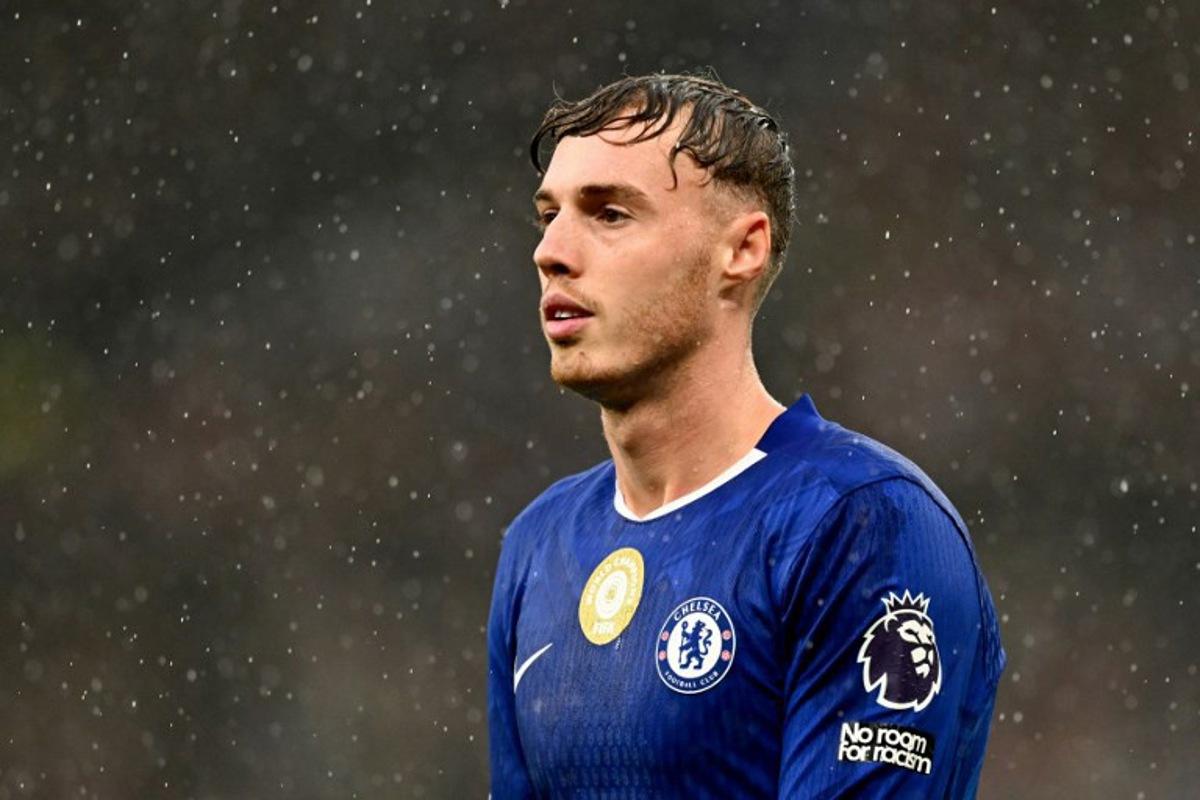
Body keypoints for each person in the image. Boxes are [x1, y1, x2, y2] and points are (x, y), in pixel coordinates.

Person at [488, 72, 1005, 799]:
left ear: (742, 250)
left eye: (609, 214)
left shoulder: (861, 522)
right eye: (549, 216)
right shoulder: (539, 544)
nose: (551, 251)